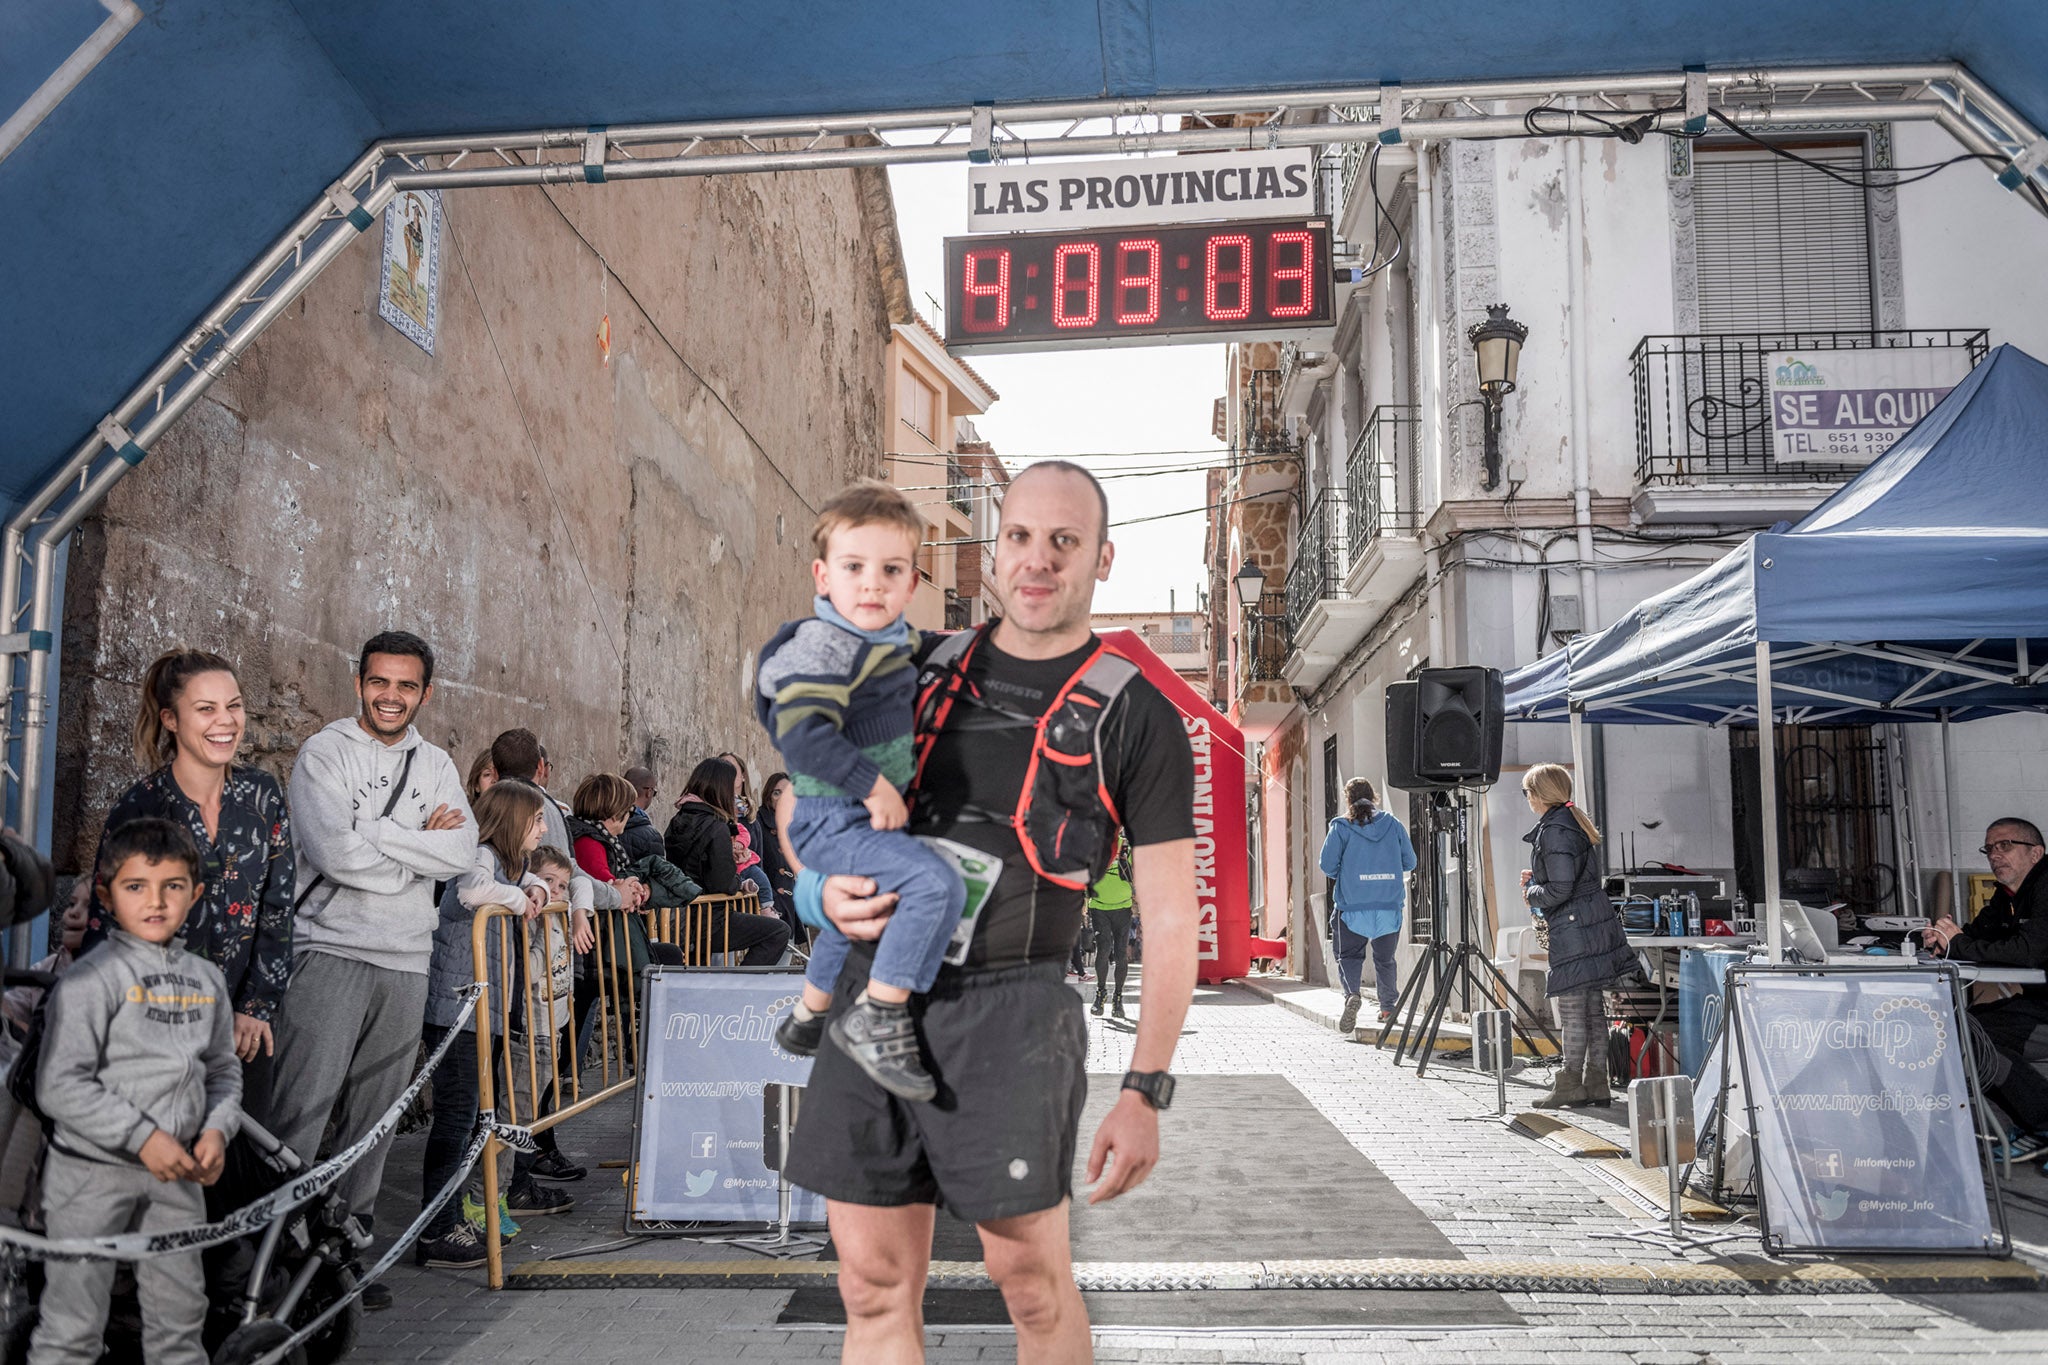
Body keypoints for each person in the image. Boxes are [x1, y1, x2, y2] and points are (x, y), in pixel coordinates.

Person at [787, 461, 1199, 1362]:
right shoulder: (908, 663)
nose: (1038, 560)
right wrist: (815, 885)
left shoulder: (1137, 714)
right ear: (994, 548)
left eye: (1065, 541)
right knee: (871, 1284)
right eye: (1020, 537)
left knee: (1034, 1290)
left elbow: (1172, 918)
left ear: (1102, 558)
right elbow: (798, 790)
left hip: (1013, 1015)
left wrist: (1145, 1089)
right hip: (874, 994)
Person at [261, 630, 476, 1307]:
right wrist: (416, 849)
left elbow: (463, 851)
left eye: (406, 685)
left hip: (407, 960)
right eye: (380, 681)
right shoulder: (325, 753)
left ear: (425, 692)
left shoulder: (438, 763)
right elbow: (332, 852)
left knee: (375, 1121)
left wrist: (376, 832)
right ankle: (269, 1261)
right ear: (359, 683)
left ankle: (341, 1262)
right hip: (328, 949)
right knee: (299, 1110)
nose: (391, 695)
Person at [754, 481, 968, 1101]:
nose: (872, 584)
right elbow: (803, 736)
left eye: (890, 569)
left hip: (853, 821)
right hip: (835, 818)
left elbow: (926, 648)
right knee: (934, 885)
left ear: (910, 583)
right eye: (855, 568)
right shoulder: (823, 644)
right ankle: (880, 1015)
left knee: (856, 921)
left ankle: (808, 1018)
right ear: (823, 577)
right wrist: (873, 786)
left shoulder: (889, 640)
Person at [30, 817, 240, 1365]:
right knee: (72, 1329)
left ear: (194, 894)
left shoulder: (207, 980)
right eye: (135, 886)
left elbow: (221, 1069)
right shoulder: (88, 983)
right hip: (88, 1176)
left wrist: (218, 1126)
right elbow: (60, 1085)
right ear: (106, 892)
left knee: (179, 1325)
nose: (156, 902)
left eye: (172, 886)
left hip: (176, 1179)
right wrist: (143, 1137)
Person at [82, 649, 296, 1068]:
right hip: (156, 1033)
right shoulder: (143, 808)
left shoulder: (262, 794)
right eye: (205, 709)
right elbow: (108, 927)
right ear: (170, 720)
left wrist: (255, 1007)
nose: (226, 720)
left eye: (234, 706)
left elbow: (277, 908)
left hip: (243, 1032)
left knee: (242, 1134)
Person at [415, 782, 564, 1268]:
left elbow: (526, 886)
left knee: (471, 1120)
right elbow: (472, 890)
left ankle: (452, 1220)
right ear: (513, 819)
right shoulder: (479, 854)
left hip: (485, 1010)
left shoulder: (508, 865)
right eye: (536, 818)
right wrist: (524, 899)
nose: (542, 828)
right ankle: (436, 1230)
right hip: (456, 1007)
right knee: (455, 1120)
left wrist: (534, 886)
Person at [1922, 817, 2048, 1155]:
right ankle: (2020, 1125)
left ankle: (2040, 1122)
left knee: (1968, 1034)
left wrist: (1958, 943)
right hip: (2036, 1003)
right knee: (1961, 1028)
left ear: (2035, 853)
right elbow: (1975, 936)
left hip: (2044, 1012)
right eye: (1989, 848)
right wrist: (1942, 941)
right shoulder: (2007, 895)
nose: (1995, 855)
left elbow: (2027, 953)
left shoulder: (2046, 886)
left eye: (2006, 845)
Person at [1520, 763, 1636, 1110]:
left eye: (1527, 792)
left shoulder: (1554, 830)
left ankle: (1570, 1083)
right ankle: (1596, 1083)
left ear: (1539, 795)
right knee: (1592, 1010)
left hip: (1574, 928)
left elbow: (1560, 887)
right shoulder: (1571, 822)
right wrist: (1539, 876)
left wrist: (1531, 891)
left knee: (1573, 1010)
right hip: (1593, 923)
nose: (1527, 798)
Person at [662, 758, 792, 966]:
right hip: (710, 921)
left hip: (682, 920)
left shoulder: (678, 820)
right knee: (778, 931)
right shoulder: (715, 826)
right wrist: (739, 879)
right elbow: (722, 882)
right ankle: (739, 985)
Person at [1317, 777, 1416, 1033]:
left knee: (1349, 956)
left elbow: (1327, 866)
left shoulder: (1340, 827)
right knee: (1385, 960)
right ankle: (1388, 1008)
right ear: (1374, 798)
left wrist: (1348, 868)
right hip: (1388, 906)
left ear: (1347, 799)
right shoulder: (1392, 824)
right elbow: (1410, 862)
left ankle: (1352, 995)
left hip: (1352, 907)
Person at [1088, 831, 1136, 1019]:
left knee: (1121, 954)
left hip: (1123, 907)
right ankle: (1100, 994)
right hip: (1099, 906)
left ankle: (1118, 998)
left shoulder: (1127, 845)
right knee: (1103, 950)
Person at [721, 752, 778, 908]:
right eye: (721, 768)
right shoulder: (712, 813)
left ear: (743, 776)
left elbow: (760, 859)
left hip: (751, 896)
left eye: (731, 769)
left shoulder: (751, 817)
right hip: (725, 895)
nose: (725, 774)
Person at [757, 771, 800, 929]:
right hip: (770, 905)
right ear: (768, 796)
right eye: (777, 793)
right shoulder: (759, 823)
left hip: (791, 902)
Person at [619, 765, 665, 864]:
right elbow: (658, 874)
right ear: (649, 792)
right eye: (654, 792)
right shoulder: (651, 836)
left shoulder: (605, 821)